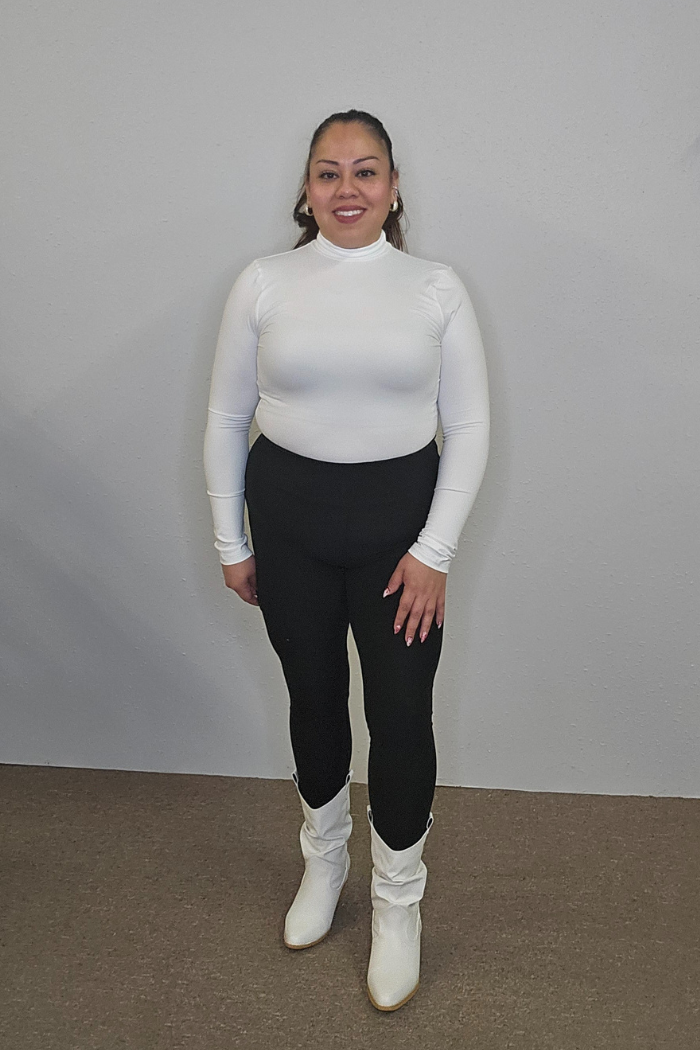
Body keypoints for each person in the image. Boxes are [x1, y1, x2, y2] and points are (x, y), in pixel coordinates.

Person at [203, 109, 490, 1012]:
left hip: (400, 535)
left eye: (366, 172)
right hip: (288, 526)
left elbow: (471, 427)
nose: (348, 189)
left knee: (401, 717)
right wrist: (230, 540)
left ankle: (398, 903)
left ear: (395, 188)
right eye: (329, 173)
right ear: (306, 190)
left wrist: (435, 552)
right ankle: (324, 863)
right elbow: (223, 418)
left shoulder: (436, 286)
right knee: (314, 698)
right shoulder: (263, 281)